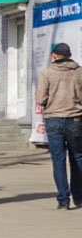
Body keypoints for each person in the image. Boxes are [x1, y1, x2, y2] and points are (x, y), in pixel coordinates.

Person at [34, 42, 82, 209]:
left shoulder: (47, 73)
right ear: (69, 55)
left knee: (58, 160)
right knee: (77, 158)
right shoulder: (79, 71)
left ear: (54, 55)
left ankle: (63, 201)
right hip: (75, 119)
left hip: (53, 119)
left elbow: (40, 99)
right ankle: (79, 197)